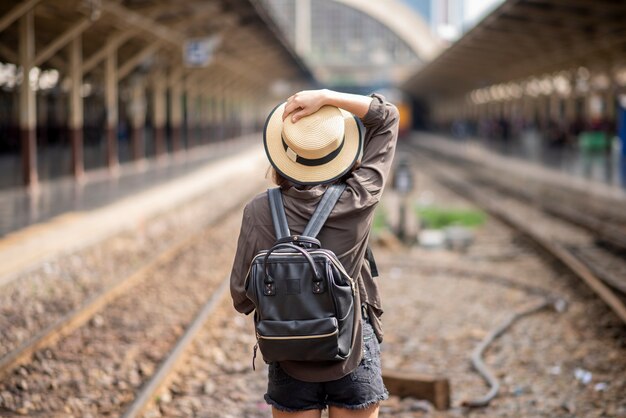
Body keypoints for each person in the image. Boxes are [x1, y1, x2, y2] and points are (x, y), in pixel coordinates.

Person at [229, 89, 399, 418]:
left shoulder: (258, 211)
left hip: (289, 360)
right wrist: (326, 97)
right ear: (341, 153)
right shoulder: (360, 198)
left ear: (283, 152)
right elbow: (387, 116)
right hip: (352, 351)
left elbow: (241, 298)